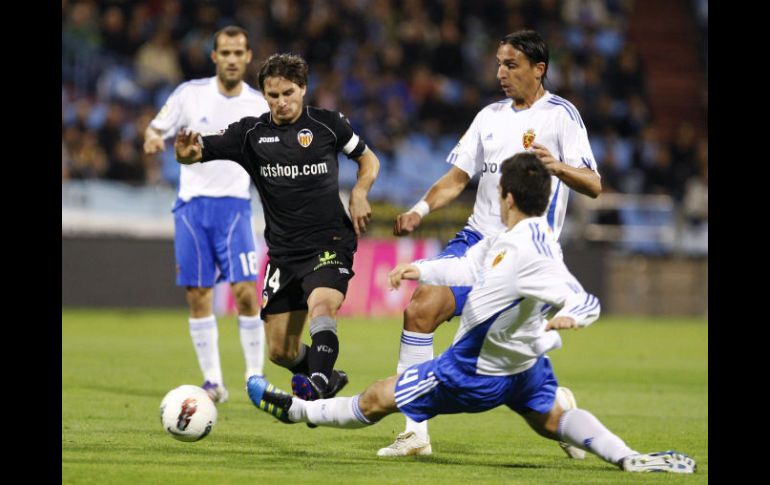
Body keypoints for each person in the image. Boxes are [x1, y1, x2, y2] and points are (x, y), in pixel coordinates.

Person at [245, 153, 696, 475]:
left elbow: (582, 298)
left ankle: (295, 410)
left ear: (508, 195)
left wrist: (570, 316)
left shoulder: (533, 253)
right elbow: (468, 266)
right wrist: (418, 268)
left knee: (377, 398)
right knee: (551, 420)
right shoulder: (520, 235)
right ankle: (627, 457)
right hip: (524, 367)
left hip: (473, 370)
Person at [384, 29, 602, 457]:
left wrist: (556, 166)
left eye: (511, 65)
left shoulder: (562, 115)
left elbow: (594, 183)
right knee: (420, 309)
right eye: (499, 64)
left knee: (508, 365)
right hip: (477, 239)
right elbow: (457, 178)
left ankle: (560, 410)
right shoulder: (489, 116)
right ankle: (414, 433)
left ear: (539, 69)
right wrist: (419, 211)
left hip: (524, 253)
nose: (501, 73)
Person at [174, 53, 380, 404]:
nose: (281, 102)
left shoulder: (329, 125)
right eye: (273, 95)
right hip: (284, 254)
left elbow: (368, 158)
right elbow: (195, 153)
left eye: (288, 93)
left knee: (322, 306)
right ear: (264, 95)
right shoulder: (251, 134)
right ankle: (326, 376)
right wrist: (184, 153)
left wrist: (360, 192)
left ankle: (316, 383)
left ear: (303, 89)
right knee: (280, 351)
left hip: (329, 242)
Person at [143, 26, 269, 403]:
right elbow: (156, 128)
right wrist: (153, 138)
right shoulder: (189, 95)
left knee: (246, 293)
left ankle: (254, 375)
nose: (232, 59)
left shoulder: (259, 104)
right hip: (192, 208)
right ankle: (213, 381)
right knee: (199, 295)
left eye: (238, 52)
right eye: (225, 53)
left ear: (248, 57)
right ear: (214, 57)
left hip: (234, 206)